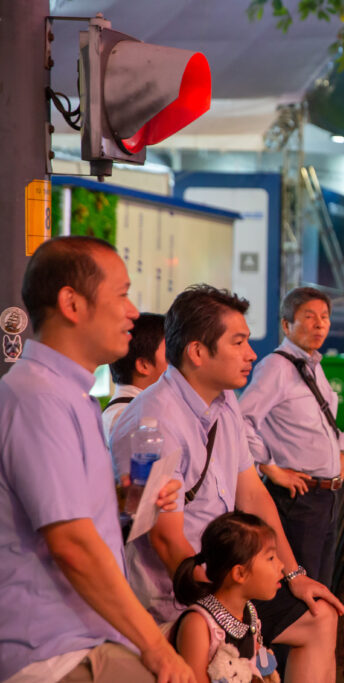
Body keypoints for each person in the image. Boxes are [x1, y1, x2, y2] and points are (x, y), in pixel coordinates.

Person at [110, 285, 344, 683]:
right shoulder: (152, 422)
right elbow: (165, 540)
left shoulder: (225, 404)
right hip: (179, 598)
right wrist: (225, 612)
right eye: (238, 342)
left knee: (320, 615)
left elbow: (252, 495)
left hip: (229, 587)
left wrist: (293, 574)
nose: (252, 354)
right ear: (198, 353)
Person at [0, 236, 194, 683]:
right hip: (55, 650)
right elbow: (72, 544)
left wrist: (126, 499)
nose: (132, 311)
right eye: (122, 294)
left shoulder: (70, 394)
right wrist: (159, 651)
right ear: (72, 303)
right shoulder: (39, 397)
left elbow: (65, 511)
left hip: (87, 636)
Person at [240, 287, 344, 588]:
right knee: (299, 590)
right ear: (287, 325)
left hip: (326, 496)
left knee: (320, 585)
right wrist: (270, 468)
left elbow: (327, 422)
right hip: (299, 499)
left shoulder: (314, 364)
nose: (319, 324)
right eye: (309, 317)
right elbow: (242, 420)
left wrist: (343, 452)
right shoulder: (276, 367)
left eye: (325, 317)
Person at [170, 512, 282, 683]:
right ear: (240, 573)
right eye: (271, 558)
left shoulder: (249, 612)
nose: (281, 565)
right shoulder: (198, 624)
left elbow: (255, 663)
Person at [104, 312, 167, 445]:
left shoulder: (127, 411)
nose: (179, 363)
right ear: (144, 365)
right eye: (171, 353)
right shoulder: (131, 419)